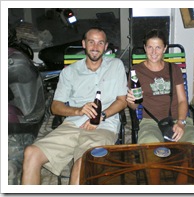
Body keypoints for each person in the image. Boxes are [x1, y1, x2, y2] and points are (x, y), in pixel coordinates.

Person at [21, 27, 128, 185]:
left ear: (106, 47)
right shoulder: (70, 72)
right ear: (84, 44)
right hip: (73, 124)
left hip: (104, 126)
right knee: (31, 153)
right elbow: (55, 107)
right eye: (91, 42)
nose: (95, 47)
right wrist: (78, 110)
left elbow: (122, 100)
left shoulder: (116, 65)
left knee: (83, 163)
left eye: (100, 43)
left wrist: (101, 116)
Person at [126, 29, 194, 153]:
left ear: (164, 48)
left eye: (158, 47)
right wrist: (131, 101)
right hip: (151, 122)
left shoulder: (173, 68)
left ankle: (183, 172)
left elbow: (182, 100)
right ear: (145, 48)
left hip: (177, 118)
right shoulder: (136, 71)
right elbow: (133, 106)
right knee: (149, 147)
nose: (154, 52)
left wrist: (181, 122)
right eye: (150, 47)